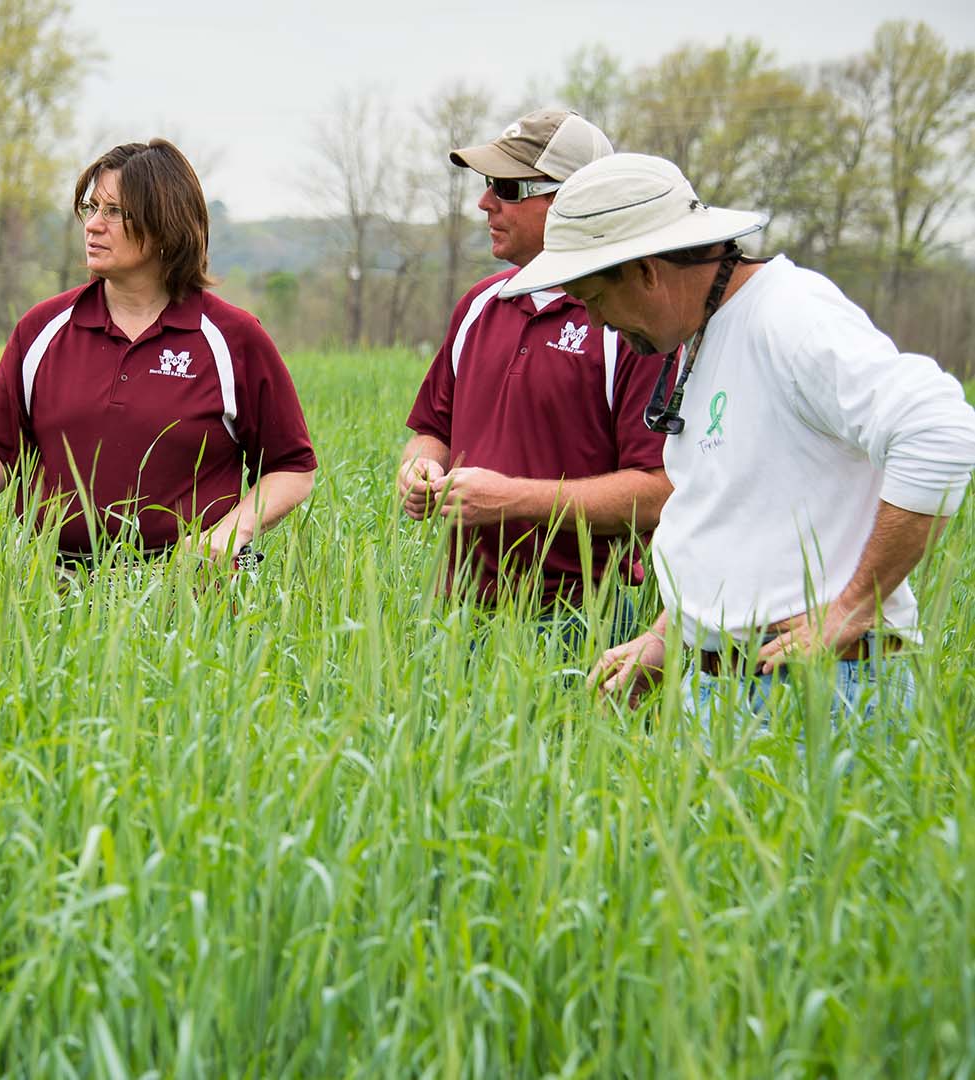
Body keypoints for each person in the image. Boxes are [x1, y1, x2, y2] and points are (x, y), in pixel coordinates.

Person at [501, 152, 975, 717]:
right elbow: (734, 508)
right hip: (727, 690)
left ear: (647, 271)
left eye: (597, 299)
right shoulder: (703, 332)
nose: (597, 323)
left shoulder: (788, 314)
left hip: (817, 692)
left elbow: (938, 428)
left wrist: (853, 605)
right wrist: (667, 635)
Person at [0, 139, 316, 566]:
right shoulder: (42, 329)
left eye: (115, 212)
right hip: (50, 595)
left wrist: (232, 533)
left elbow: (292, 467)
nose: (93, 225)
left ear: (165, 224)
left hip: (188, 597)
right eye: (91, 208)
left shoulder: (232, 338)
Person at [399, 109, 672, 626]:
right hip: (457, 614)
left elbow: (658, 491)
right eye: (487, 185)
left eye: (506, 187)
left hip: (581, 620)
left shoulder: (632, 325)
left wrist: (513, 500)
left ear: (570, 199)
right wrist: (420, 468)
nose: (485, 203)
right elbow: (431, 430)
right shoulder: (479, 305)